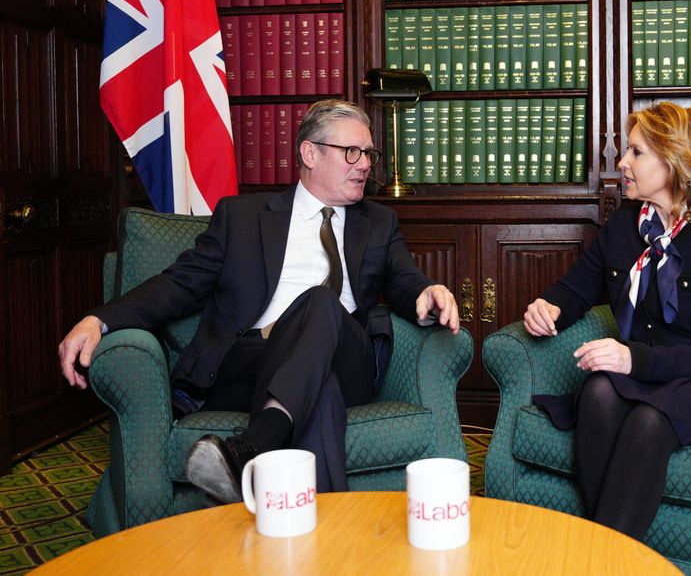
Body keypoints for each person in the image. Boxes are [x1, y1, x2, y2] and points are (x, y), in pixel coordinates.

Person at [58, 99, 459, 503]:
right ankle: (327, 541)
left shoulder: (378, 222)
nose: (365, 164)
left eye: (368, 154)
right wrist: (100, 320)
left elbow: (405, 277)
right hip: (249, 359)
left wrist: (427, 290)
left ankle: (254, 443)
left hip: (345, 354)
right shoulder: (242, 217)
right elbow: (179, 284)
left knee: (320, 303)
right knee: (320, 392)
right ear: (310, 153)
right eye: (351, 152)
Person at [523, 101, 691, 541]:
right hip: (651, 372)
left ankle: (599, 560)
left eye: (636, 152)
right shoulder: (625, 224)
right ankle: (613, 553)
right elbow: (575, 290)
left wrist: (632, 360)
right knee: (598, 392)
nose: (622, 163)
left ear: (675, 159)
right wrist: (547, 308)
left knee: (648, 421)